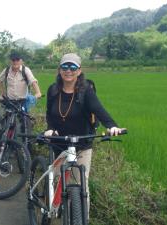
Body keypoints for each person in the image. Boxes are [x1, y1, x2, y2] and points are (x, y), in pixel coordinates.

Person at [45, 53, 125, 217]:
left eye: (73, 67)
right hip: (59, 142)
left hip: (82, 144)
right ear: (59, 70)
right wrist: (50, 128)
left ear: (79, 70)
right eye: (65, 67)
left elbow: (99, 110)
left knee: (81, 186)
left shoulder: (85, 92)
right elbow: (49, 114)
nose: (69, 70)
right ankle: (55, 210)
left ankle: (81, 218)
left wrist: (112, 126)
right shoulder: (53, 90)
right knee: (59, 180)